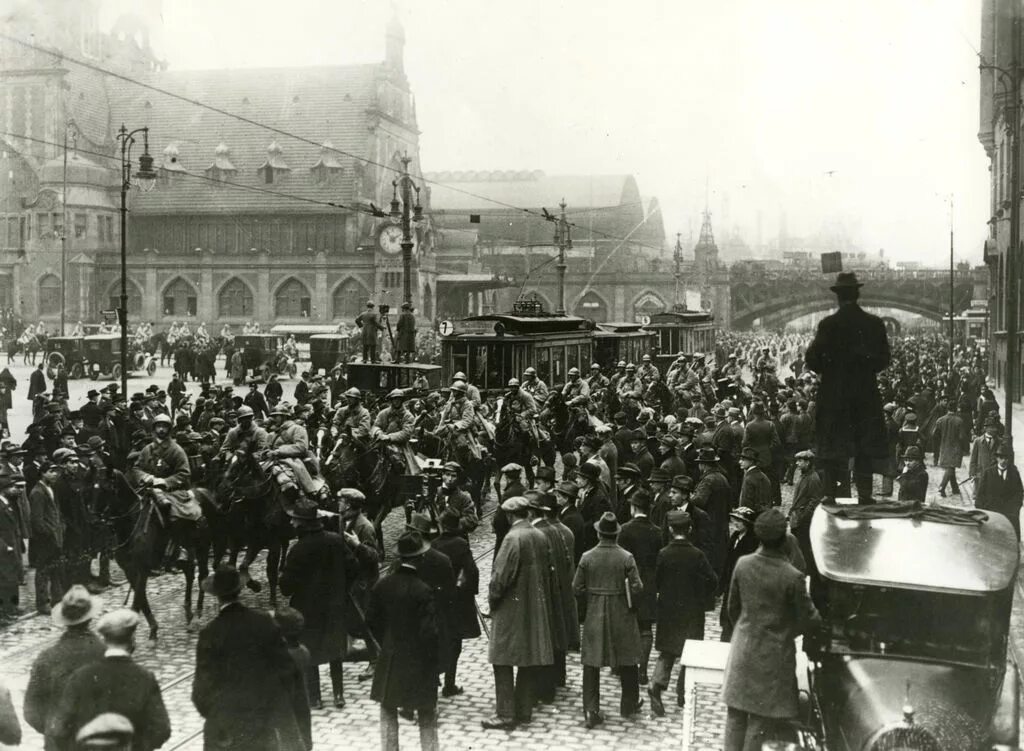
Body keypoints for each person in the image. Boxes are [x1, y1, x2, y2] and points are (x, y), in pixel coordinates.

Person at [722, 508, 821, 751]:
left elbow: (732, 609)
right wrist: (785, 631)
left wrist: (748, 630)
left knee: (735, 715)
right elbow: (810, 621)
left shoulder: (743, 565)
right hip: (773, 658)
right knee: (759, 720)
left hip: (742, 651)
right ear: (784, 538)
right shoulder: (793, 576)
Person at [192, 565, 309, 751]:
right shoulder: (264, 622)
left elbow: (200, 692)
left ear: (217, 596)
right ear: (239, 590)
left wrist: (220, 715)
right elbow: (287, 672)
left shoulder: (210, 633)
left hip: (224, 732)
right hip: (261, 727)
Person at [804, 271, 890, 504]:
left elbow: (811, 360)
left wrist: (832, 369)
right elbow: (884, 360)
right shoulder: (874, 324)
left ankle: (830, 495)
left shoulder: (828, 325)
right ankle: (865, 495)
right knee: (864, 444)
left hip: (834, 396)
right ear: (857, 294)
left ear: (838, 297)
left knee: (833, 445)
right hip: (865, 394)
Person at [48, 609, 171, 751]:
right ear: (132, 640)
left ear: (104, 640)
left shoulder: (81, 676)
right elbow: (161, 729)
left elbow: (59, 728)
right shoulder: (145, 678)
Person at [482, 496, 555, 731]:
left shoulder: (512, 538)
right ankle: (524, 710)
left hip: (510, 608)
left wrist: (491, 602)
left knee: (501, 660)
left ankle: (504, 713)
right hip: (534, 606)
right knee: (527, 658)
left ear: (510, 515)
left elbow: (500, 578)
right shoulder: (540, 535)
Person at [279, 502, 359, 710]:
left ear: (302, 525)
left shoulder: (297, 549)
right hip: (335, 605)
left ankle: (315, 698)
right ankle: (339, 695)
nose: (291, 522)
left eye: (294, 519)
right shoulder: (335, 540)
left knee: (310, 652)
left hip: (307, 609)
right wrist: (342, 588)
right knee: (335, 651)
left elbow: (287, 587)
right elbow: (354, 567)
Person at [367, 532, 441, 751]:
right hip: (420, 661)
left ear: (400, 558)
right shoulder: (423, 590)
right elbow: (429, 632)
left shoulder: (383, 585)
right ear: (419, 558)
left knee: (388, 709)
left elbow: (370, 620)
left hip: (390, 657)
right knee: (427, 712)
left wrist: (386, 640)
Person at [573, 511, 645, 728]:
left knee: (591, 662)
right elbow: (638, 587)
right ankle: (628, 703)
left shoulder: (587, 557)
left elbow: (576, 587)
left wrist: (591, 598)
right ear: (616, 534)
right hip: (622, 612)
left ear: (598, 534)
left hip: (595, 612)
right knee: (628, 658)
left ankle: (591, 710)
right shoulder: (626, 557)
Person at [648, 510, 717, 716]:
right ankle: (682, 694)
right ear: (689, 529)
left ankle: (657, 684)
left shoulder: (663, 554)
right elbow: (712, 580)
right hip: (692, 611)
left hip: (668, 610)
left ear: (670, 529)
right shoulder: (697, 555)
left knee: (667, 651)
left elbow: (657, 580)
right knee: (689, 651)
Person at [24, 584, 106, 749]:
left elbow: (31, 711)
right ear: (90, 617)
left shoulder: (47, 658)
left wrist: (54, 731)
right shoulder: (106, 654)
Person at [431, 510, 481, 698]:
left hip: (438, 600)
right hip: (458, 602)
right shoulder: (461, 544)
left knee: (438, 641)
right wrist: (469, 592)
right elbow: (472, 571)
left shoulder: (434, 544)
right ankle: (449, 684)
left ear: (442, 525)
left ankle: (433, 680)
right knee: (455, 643)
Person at [617, 489, 661, 685]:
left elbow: (621, 559)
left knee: (627, 625)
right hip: (649, 585)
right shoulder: (657, 531)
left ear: (634, 508)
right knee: (645, 628)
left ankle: (625, 667)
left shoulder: (625, 529)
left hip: (628, 583)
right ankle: (642, 670)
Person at [29, 460, 64, 614]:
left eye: (55, 471)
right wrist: (49, 533)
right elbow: (37, 520)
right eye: (51, 471)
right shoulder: (37, 492)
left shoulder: (50, 489)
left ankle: (58, 600)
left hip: (55, 537)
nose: (54, 474)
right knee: (43, 571)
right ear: (42, 473)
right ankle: (42, 603)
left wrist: (60, 527)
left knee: (56, 569)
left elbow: (56, 512)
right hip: (45, 540)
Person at [975, 441, 1024, 541]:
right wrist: (984, 510)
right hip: (992, 514)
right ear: (997, 458)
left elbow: (1019, 492)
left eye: (1006, 458)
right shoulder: (988, 473)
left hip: (1010, 514)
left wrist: (1015, 508)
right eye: (1001, 458)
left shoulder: (1014, 473)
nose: (1003, 461)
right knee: (992, 541)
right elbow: (980, 495)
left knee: (1011, 541)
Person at [933, 401, 966, 497]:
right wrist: (965, 447)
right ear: (955, 409)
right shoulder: (959, 421)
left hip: (944, 446)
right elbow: (962, 437)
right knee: (951, 467)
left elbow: (935, 435)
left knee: (951, 467)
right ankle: (942, 487)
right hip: (955, 447)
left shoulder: (940, 420)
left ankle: (955, 488)